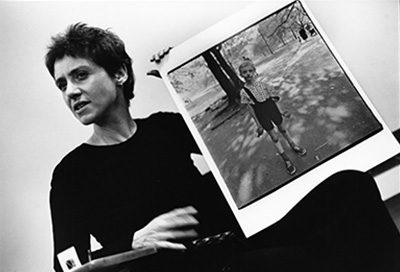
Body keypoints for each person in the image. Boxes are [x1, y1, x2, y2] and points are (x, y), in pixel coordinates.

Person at [46, 23, 400, 272]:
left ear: (119, 74)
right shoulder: (71, 174)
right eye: (62, 83)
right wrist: (133, 242)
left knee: (351, 187)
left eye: (80, 75)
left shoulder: (166, 127)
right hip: (194, 266)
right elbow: (67, 265)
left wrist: (176, 75)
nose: (70, 91)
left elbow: (219, 151)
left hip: (239, 240)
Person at [238, 60, 306, 175]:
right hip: (261, 114)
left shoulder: (263, 85)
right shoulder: (244, 92)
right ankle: (286, 159)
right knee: (274, 137)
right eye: (245, 72)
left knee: (283, 129)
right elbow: (251, 109)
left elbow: (273, 100)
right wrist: (258, 124)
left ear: (254, 71)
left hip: (272, 109)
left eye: (250, 71)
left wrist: (281, 111)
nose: (248, 74)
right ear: (241, 75)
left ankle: (293, 145)